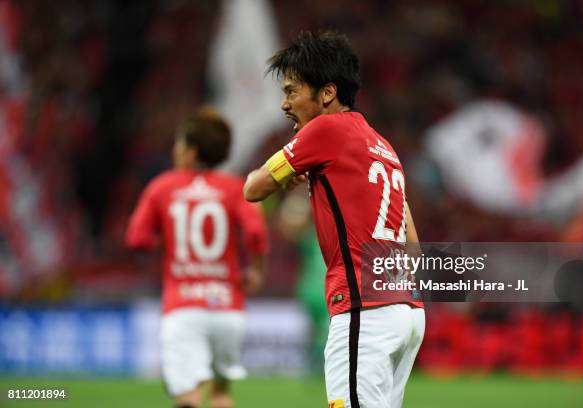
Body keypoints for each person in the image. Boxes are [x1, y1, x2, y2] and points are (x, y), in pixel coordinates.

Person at [243, 31, 425, 408]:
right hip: (406, 311)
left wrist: (288, 170)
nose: (284, 104)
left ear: (326, 93)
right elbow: (414, 246)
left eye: (292, 91)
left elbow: (253, 187)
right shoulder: (384, 147)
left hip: (365, 312)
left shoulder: (325, 130)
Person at [126, 106, 268, 408]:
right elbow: (255, 232)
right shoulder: (234, 188)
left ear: (190, 150)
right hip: (227, 306)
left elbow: (137, 239)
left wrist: (168, 243)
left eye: (179, 143)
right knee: (220, 393)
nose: (175, 150)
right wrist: (255, 270)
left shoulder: (162, 187)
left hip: (183, 307)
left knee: (188, 395)